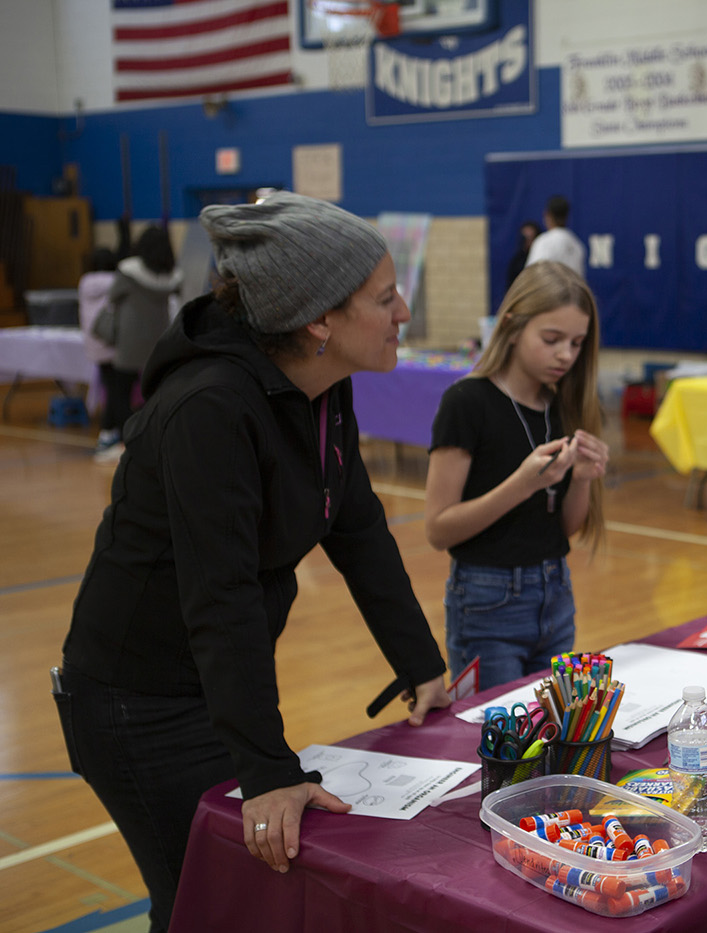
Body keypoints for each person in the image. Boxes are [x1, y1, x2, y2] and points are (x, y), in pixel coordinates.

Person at [56, 192, 449, 933]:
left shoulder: (320, 392)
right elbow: (222, 594)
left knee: (229, 899)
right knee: (209, 903)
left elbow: (358, 527)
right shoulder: (211, 407)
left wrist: (421, 662)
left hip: (205, 684)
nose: (403, 313)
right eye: (386, 297)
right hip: (136, 702)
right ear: (318, 319)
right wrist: (269, 770)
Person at [424, 260, 608, 689]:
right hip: (488, 602)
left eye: (577, 343)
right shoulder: (467, 402)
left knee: (558, 737)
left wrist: (580, 479)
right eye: (551, 339)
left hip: (556, 594)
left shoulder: (562, 405)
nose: (566, 354)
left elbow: (565, 527)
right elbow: (437, 529)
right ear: (511, 325)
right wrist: (523, 485)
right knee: (507, 748)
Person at [96, 226, 183, 462]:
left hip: (130, 340)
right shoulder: (172, 274)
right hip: (160, 339)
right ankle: (159, 438)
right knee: (157, 392)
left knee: (121, 392)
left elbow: (113, 296)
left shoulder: (128, 271)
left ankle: (127, 442)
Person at [77, 247, 121, 454]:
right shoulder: (117, 281)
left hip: (95, 344)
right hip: (112, 342)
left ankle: (109, 431)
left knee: (109, 387)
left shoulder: (84, 282)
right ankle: (109, 432)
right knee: (116, 390)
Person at [525, 195, 585, 276]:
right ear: (566, 216)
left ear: (547, 214)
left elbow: (531, 278)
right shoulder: (577, 245)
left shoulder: (544, 242)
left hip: (551, 288)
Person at [505, 219, 540, 289]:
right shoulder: (517, 262)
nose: (528, 241)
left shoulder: (541, 258)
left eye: (531, 237)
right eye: (525, 238)